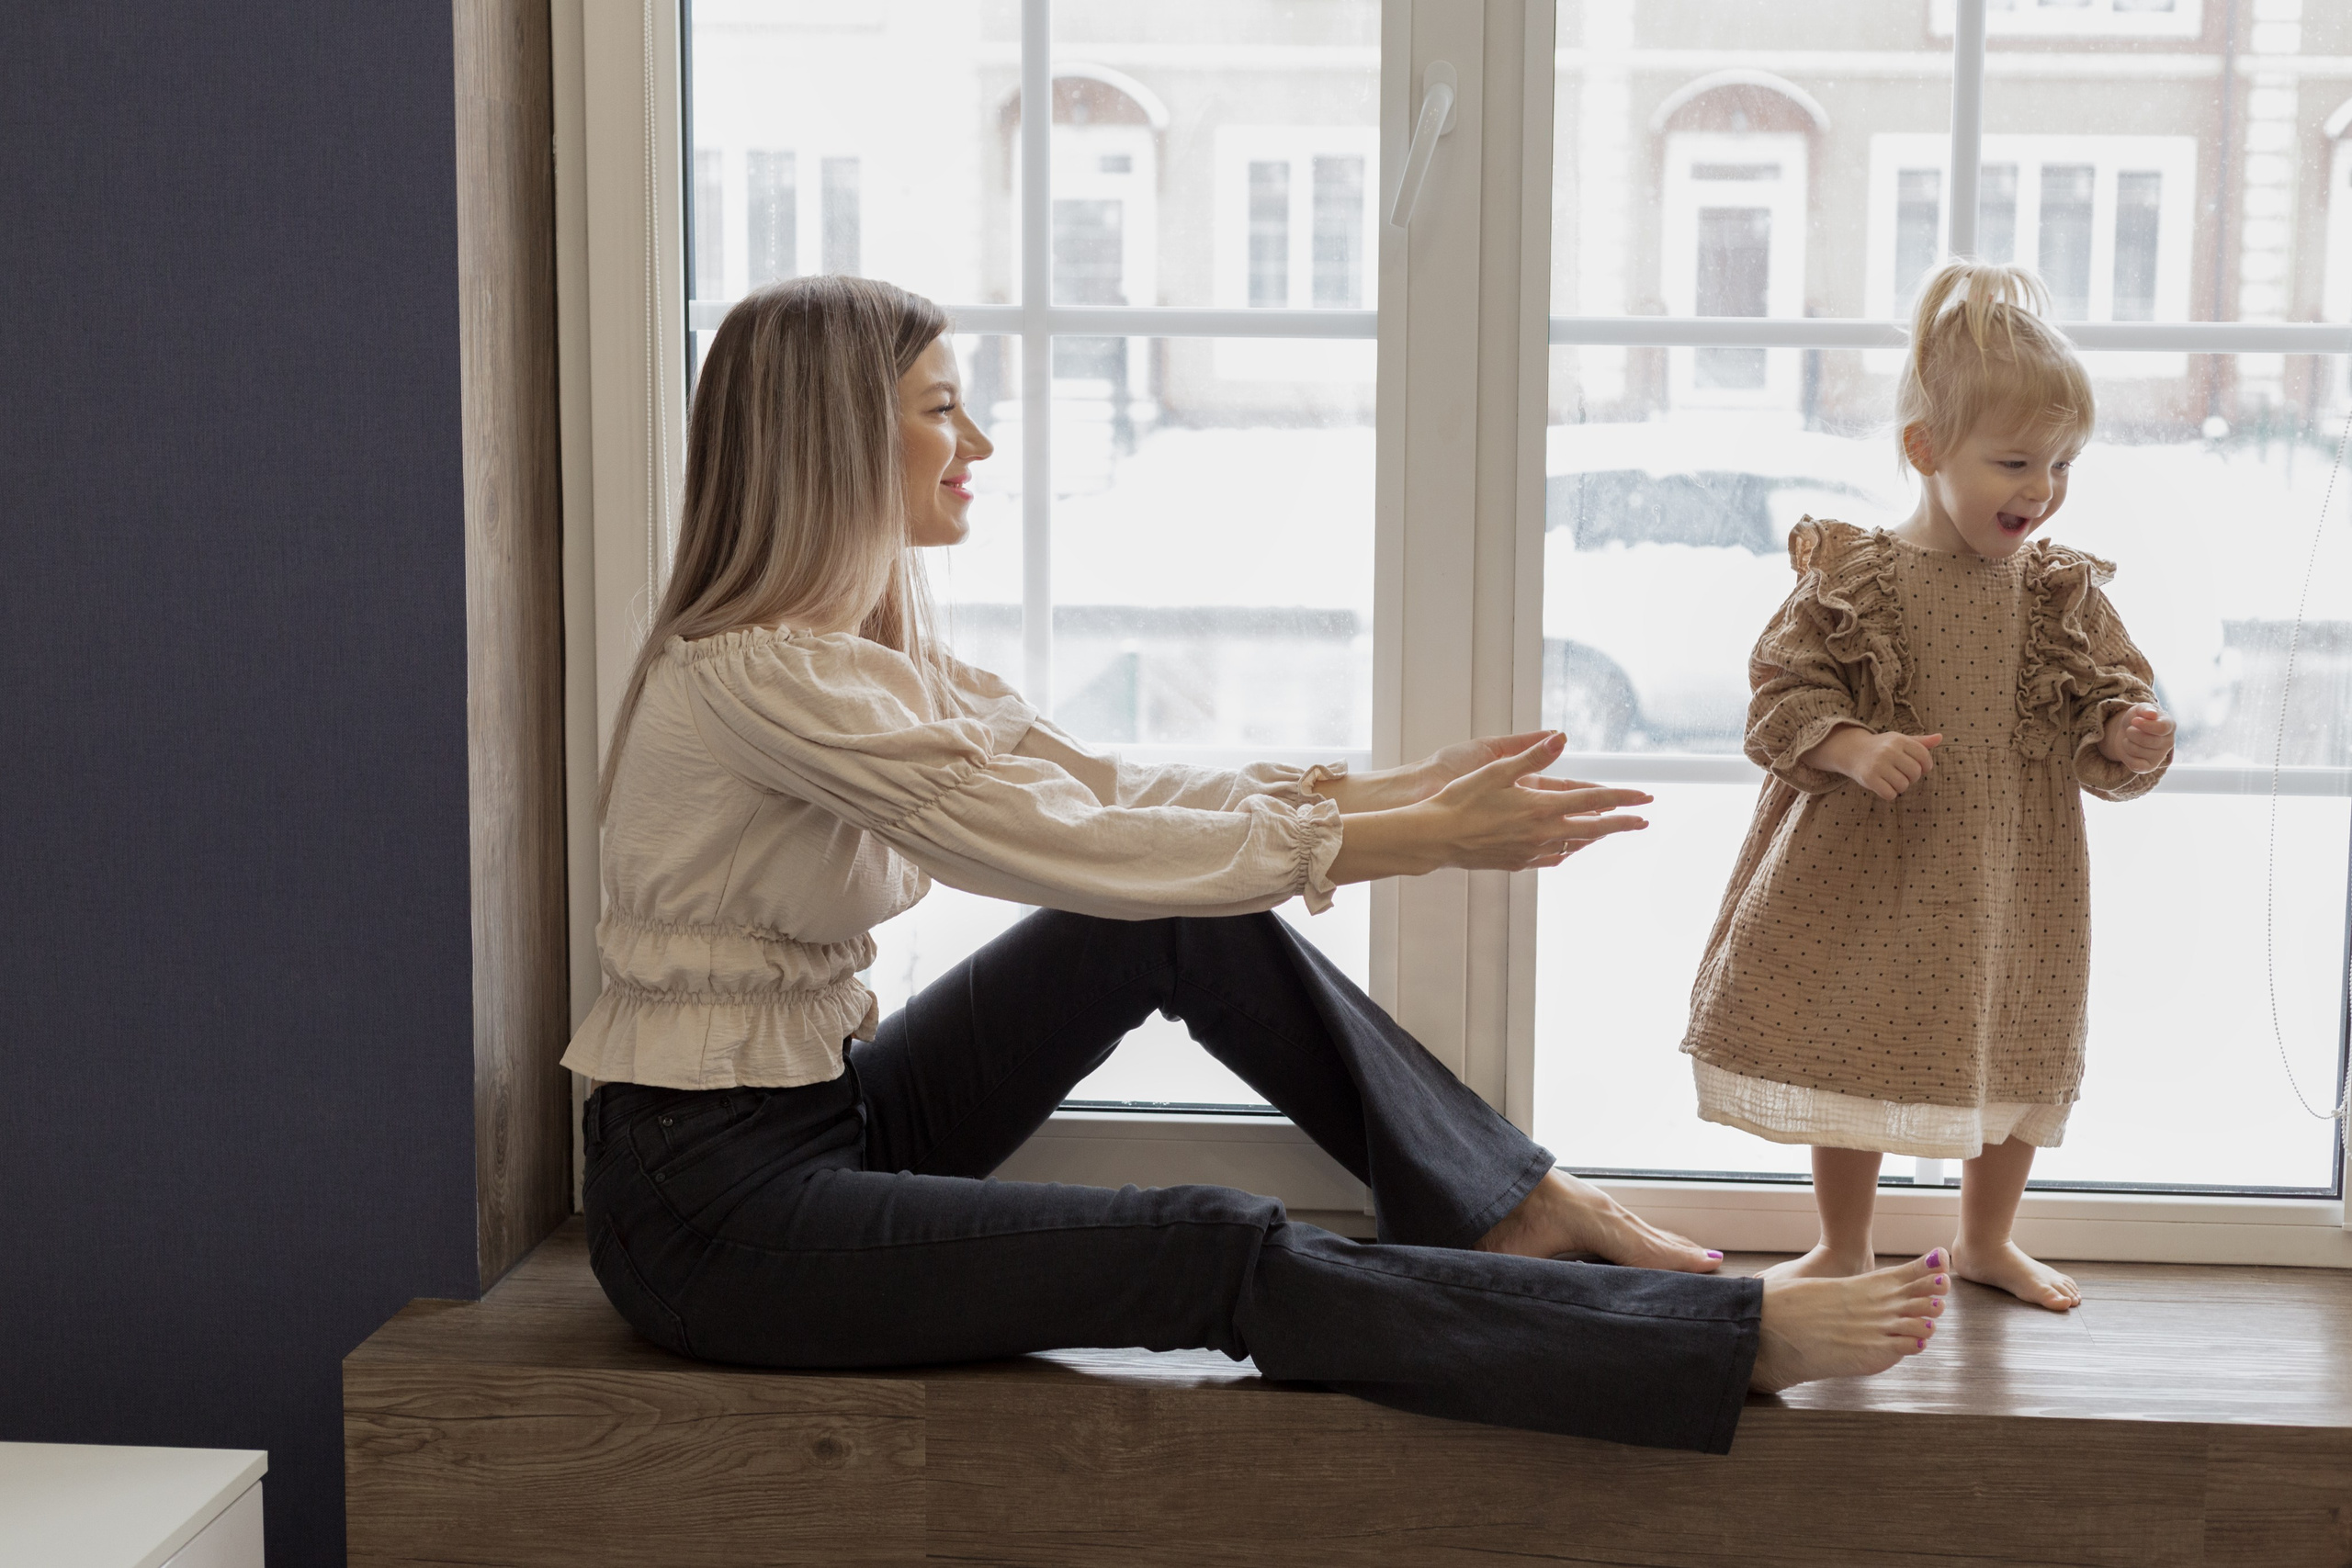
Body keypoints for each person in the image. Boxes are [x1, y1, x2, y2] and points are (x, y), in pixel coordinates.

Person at [566, 275, 1947, 1453]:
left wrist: (1392, 791)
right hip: (711, 1213)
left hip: (826, 1116)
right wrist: (1402, 844)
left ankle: (1513, 1204)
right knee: (1213, 1240)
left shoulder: (860, 665)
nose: (973, 437)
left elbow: (1102, 785)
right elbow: (1064, 843)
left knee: (1180, 928)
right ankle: (1716, 1339)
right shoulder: (759, 679)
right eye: (939, 407)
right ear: (833, 437)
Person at [1683, 260, 2176, 1312]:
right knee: (1855, 1042)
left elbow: (2104, 693)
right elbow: (1782, 688)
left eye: (2059, 465)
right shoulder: (1859, 578)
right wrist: (1853, 745)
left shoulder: (2056, 593)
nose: (2039, 490)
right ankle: (1844, 1245)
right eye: (2013, 462)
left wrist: (2126, 732)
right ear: (1924, 449)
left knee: (2012, 1041)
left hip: (2011, 872)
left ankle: (1987, 1239)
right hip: (1876, 867)